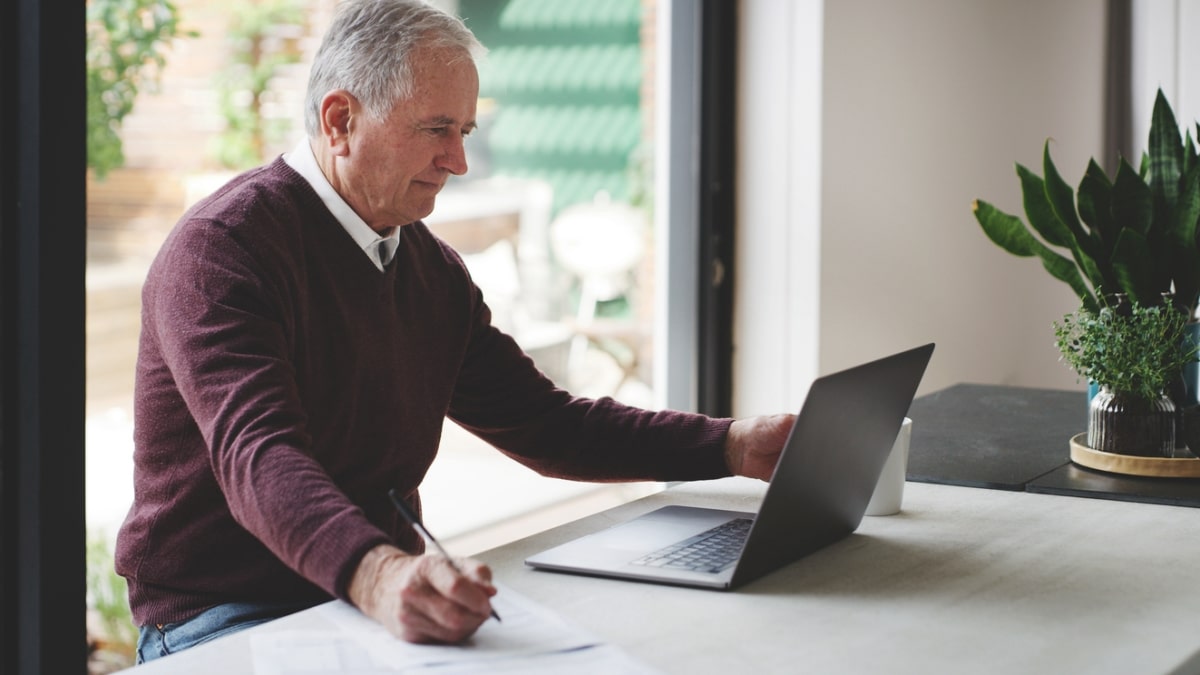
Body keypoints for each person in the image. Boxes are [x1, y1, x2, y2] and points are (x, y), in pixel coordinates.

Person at [115, 0, 795, 663]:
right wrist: (379, 574)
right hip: (227, 612)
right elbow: (259, 454)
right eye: (437, 128)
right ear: (341, 119)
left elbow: (547, 423)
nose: (458, 162)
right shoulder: (223, 251)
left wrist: (734, 444)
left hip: (366, 596)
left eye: (465, 132)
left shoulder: (428, 268)